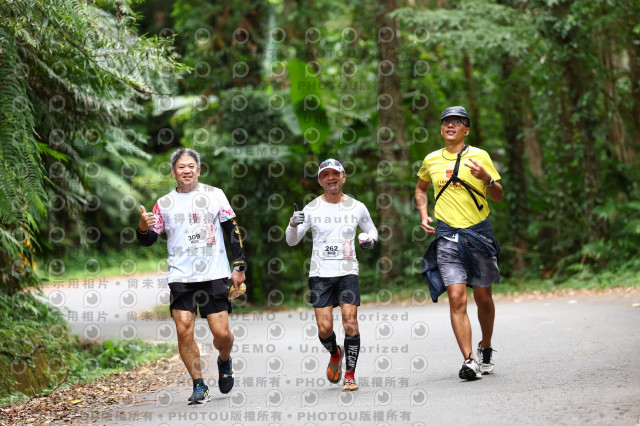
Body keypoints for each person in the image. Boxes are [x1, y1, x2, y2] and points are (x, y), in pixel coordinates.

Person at [136, 148, 246, 404]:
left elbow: (233, 230)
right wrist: (142, 226)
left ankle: (224, 360)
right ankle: (199, 385)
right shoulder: (164, 203)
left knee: (222, 334)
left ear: (199, 169)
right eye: (181, 167)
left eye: (191, 166)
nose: (186, 170)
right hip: (181, 276)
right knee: (183, 330)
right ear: (173, 172)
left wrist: (239, 265)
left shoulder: (215, 195)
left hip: (213, 273)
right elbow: (148, 239)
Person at [415, 106, 503, 381]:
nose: (450, 125)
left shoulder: (480, 156)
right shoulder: (431, 159)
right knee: (455, 298)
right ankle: (469, 359)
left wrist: (487, 178)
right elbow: (420, 188)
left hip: (478, 235)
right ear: (441, 128)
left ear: (467, 129)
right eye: (446, 122)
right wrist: (423, 214)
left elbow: (498, 196)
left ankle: (485, 347)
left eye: (457, 122)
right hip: (447, 236)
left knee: (483, 300)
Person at [286, 159, 378, 391]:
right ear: (320, 181)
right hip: (320, 274)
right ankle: (335, 353)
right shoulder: (311, 209)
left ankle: (350, 375)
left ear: (343, 177)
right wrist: (293, 224)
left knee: (350, 322)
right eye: (325, 175)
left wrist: (371, 240)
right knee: (325, 328)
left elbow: (371, 229)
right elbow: (292, 241)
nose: (331, 178)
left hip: (348, 271)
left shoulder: (357, 207)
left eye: (335, 174)